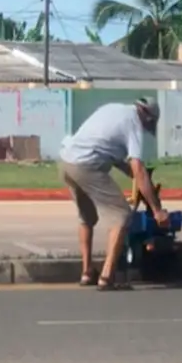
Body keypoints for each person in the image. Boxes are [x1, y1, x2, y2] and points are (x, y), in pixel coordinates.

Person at [58, 97, 169, 290]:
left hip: (67, 163)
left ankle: (87, 272)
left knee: (87, 218)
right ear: (147, 116)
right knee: (121, 215)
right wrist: (157, 210)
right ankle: (107, 277)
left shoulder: (113, 109)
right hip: (86, 166)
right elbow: (138, 168)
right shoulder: (134, 123)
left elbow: (108, 149)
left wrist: (134, 174)